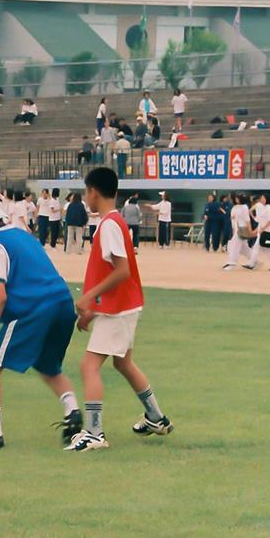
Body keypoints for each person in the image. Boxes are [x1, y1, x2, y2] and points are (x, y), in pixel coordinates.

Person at [0, 187, 81, 449]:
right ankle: (72, 410)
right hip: (63, 303)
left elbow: (0, 296)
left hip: (34, 307)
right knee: (47, 364)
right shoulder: (23, 235)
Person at [67, 167, 172, 452]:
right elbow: (111, 272)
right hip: (122, 306)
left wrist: (89, 298)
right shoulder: (112, 222)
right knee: (123, 363)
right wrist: (93, 307)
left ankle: (95, 432)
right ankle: (156, 417)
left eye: (86, 191)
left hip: (119, 309)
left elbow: (122, 270)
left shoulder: (110, 225)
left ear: (93, 192)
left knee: (89, 366)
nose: (85, 197)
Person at [246, 193, 270, 271]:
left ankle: (251, 264)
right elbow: (258, 219)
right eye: (261, 198)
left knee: (257, 247)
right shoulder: (260, 206)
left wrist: (263, 228)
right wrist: (251, 214)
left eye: (263, 198)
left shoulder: (269, 208)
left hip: (266, 231)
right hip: (261, 231)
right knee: (269, 249)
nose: (261, 199)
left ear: (267, 199)